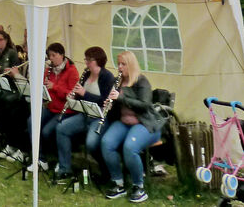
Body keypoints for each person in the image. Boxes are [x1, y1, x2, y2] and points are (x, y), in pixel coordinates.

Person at [101, 51, 164, 203]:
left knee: (130, 147)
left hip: (144, 123)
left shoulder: (141, 81)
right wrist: (110, 104)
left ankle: (138, 186)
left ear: (131, 65)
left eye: (123, 64)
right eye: (118, 64)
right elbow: (117, 110)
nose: (119, 67)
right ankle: (118, 183)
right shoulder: (117, 81)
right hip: (125, 122)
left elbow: (145, 105)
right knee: (106, 143)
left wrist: (121, 97)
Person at [54, 45, 114, 181]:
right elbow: (80, 96)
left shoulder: (107, 77)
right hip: (84, 114)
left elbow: (105, 101)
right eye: (86, 59)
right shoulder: (87, 74)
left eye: (88, 60)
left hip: (100, 118)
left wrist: (84, 93)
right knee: (61, 128)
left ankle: (106, 170)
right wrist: (73, 96)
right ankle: (65, 168)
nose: (86, 62)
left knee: (91, 143)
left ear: (97, 61)